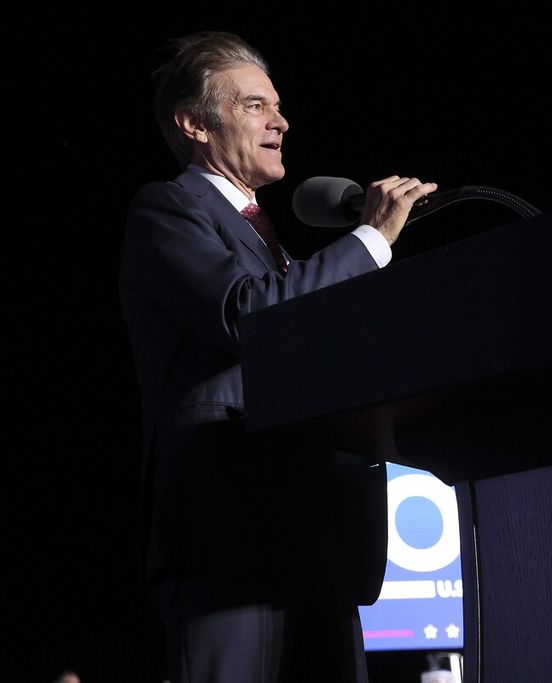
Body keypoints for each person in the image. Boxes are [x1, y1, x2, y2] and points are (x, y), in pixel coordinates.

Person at [118, 32, 436, 683]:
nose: (281, 121)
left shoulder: (274, 243)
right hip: (230, 544)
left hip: (323, 542)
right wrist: (370, 240)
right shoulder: (167, 208)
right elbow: (247, 313)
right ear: (194, 123)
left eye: (279, 106)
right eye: (256, 105)